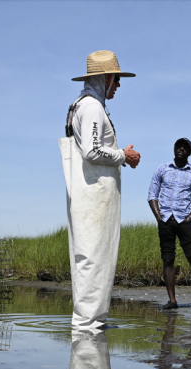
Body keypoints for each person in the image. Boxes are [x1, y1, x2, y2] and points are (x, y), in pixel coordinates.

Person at [60, 50, 141, 330]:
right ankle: (87, 325)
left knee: (92, 255)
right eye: (116, 80)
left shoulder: (81, 105)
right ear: (105, 78)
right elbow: (92, 151)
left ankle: (89, 324)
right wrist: (123, 156)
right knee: (93, 256)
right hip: (93, 196)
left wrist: (120, 155)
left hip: (89, 195)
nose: (118, 86)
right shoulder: (92, 107)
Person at [147, 138, 191, 310]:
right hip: (165, 220)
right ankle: (172, 301)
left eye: (185, 148)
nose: (181, 149)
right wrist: (159, 218)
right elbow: (152, 195)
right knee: (168, 259)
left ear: (189, 152)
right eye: (178, 146)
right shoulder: (162, 169)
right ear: (174, 149)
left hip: (184, 220)